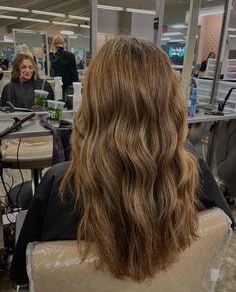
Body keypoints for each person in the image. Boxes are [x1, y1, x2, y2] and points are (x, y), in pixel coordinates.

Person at [10, 37, 234, 286]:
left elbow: (25, 273)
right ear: (169, 102)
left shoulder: (59, 184)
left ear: (94, 103)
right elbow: (220, 230)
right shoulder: (193, 172)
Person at [50, 35, 79, 100]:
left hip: (69, 85)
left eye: (60, 43)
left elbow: (74, 72)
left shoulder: (70, 55)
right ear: (53, 45)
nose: (58, 45)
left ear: (63, 44)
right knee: (59, 102)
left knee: (70, 103)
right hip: (58, 85)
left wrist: (76, 85)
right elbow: (53, 70)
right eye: (56, 43)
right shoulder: (52, 56)